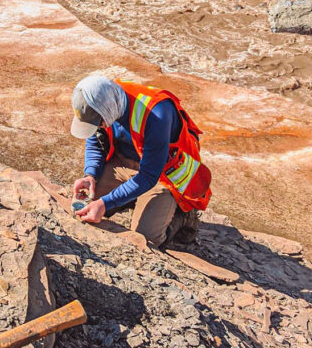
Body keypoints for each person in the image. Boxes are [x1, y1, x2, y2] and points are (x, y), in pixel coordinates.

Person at [70, 75, 212, 246]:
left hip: (163, 174)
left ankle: (182, 217)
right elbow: (96, 143)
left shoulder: (157, 114)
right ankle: (132, 199)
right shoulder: (104, 102)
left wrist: (105, 203)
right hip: (124, 162)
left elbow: (149, 176)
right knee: (84, 204)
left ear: (108, 111)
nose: (97, 126)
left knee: (146, 237)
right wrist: (89, 175)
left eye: (97, 123)